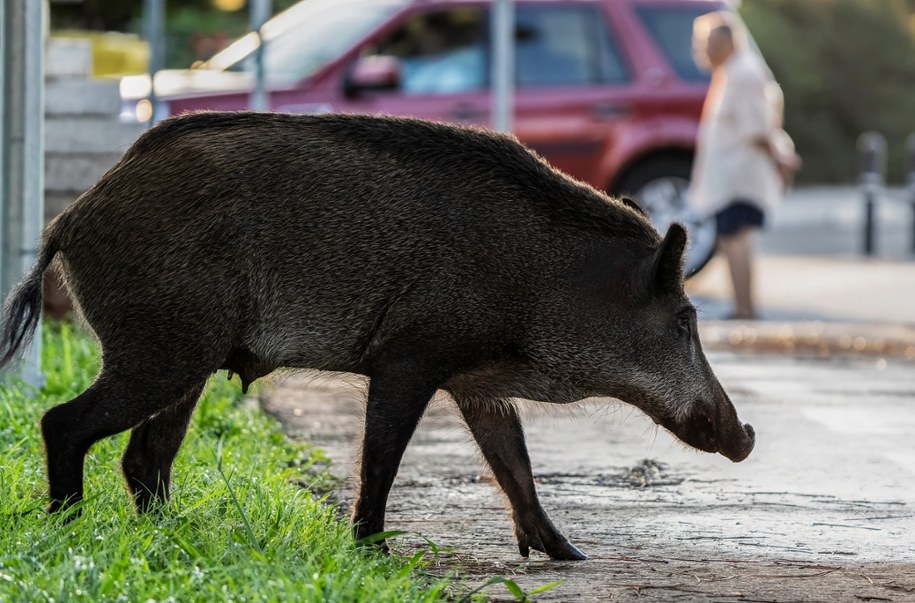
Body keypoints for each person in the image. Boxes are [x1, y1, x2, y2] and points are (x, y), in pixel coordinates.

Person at [689, 12, 800, 320]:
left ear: (725, 42)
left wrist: (780, 159)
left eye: (705, 43)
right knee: (733, 239)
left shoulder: (743, 73)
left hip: (738, 177)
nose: (700, 50)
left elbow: (759, 127)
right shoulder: (731, 71)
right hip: (731, 176)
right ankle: (743, 306)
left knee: (736, 238)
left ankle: (744, 308)